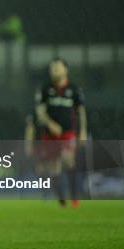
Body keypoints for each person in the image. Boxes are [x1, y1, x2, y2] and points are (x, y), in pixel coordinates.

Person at [35, 58, 87, 207]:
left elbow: (81, 112)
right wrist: (50, 124)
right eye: (52, 68)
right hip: (49, 135)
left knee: (68, 160)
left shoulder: (74, 89)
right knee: (54, 166)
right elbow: (40, 111)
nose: (54, 71)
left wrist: (82, 131)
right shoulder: (45, 89)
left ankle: (74, 197)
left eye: (58, 68)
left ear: (65, 70)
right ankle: (61, 199)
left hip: (67, 133)